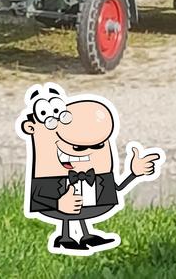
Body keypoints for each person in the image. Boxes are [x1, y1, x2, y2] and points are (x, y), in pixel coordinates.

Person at [16, 84, 162, 254]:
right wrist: (58, 203)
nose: (85, 151)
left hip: (92, 206)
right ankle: (65, 238)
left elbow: (117, 188)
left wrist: (134, 173)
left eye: (99, 145)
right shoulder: (49, 177)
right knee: (68, 213)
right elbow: (39, 197)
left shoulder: (99, 175)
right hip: (60, 207)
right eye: (77, 148)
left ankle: (86, 235)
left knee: (80, 211)